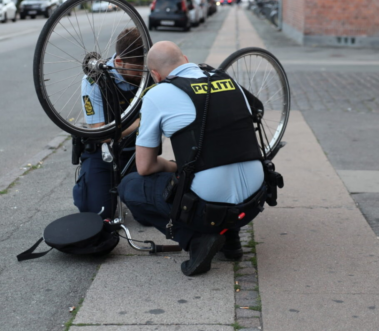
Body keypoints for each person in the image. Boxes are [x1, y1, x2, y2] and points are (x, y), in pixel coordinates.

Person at [118, 41, 267, 276]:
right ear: (186, 60)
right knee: (222, 161)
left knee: (130, 185)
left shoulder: (158, 94)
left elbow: (145, 166)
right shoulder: (230, 82)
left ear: (155, 75)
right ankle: (231, 239)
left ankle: (196, 240)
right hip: (254, 202)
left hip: (209, 208)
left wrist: (171, 165)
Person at [73, 27, 145, 219]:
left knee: (149, 214)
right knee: (96, 213)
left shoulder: (149, 71)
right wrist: (143, 121)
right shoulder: (94, 80)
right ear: (120, 62)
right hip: (104, 152)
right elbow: (101, 133)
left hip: (140, 151)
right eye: (138, 71)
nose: (142, 76)